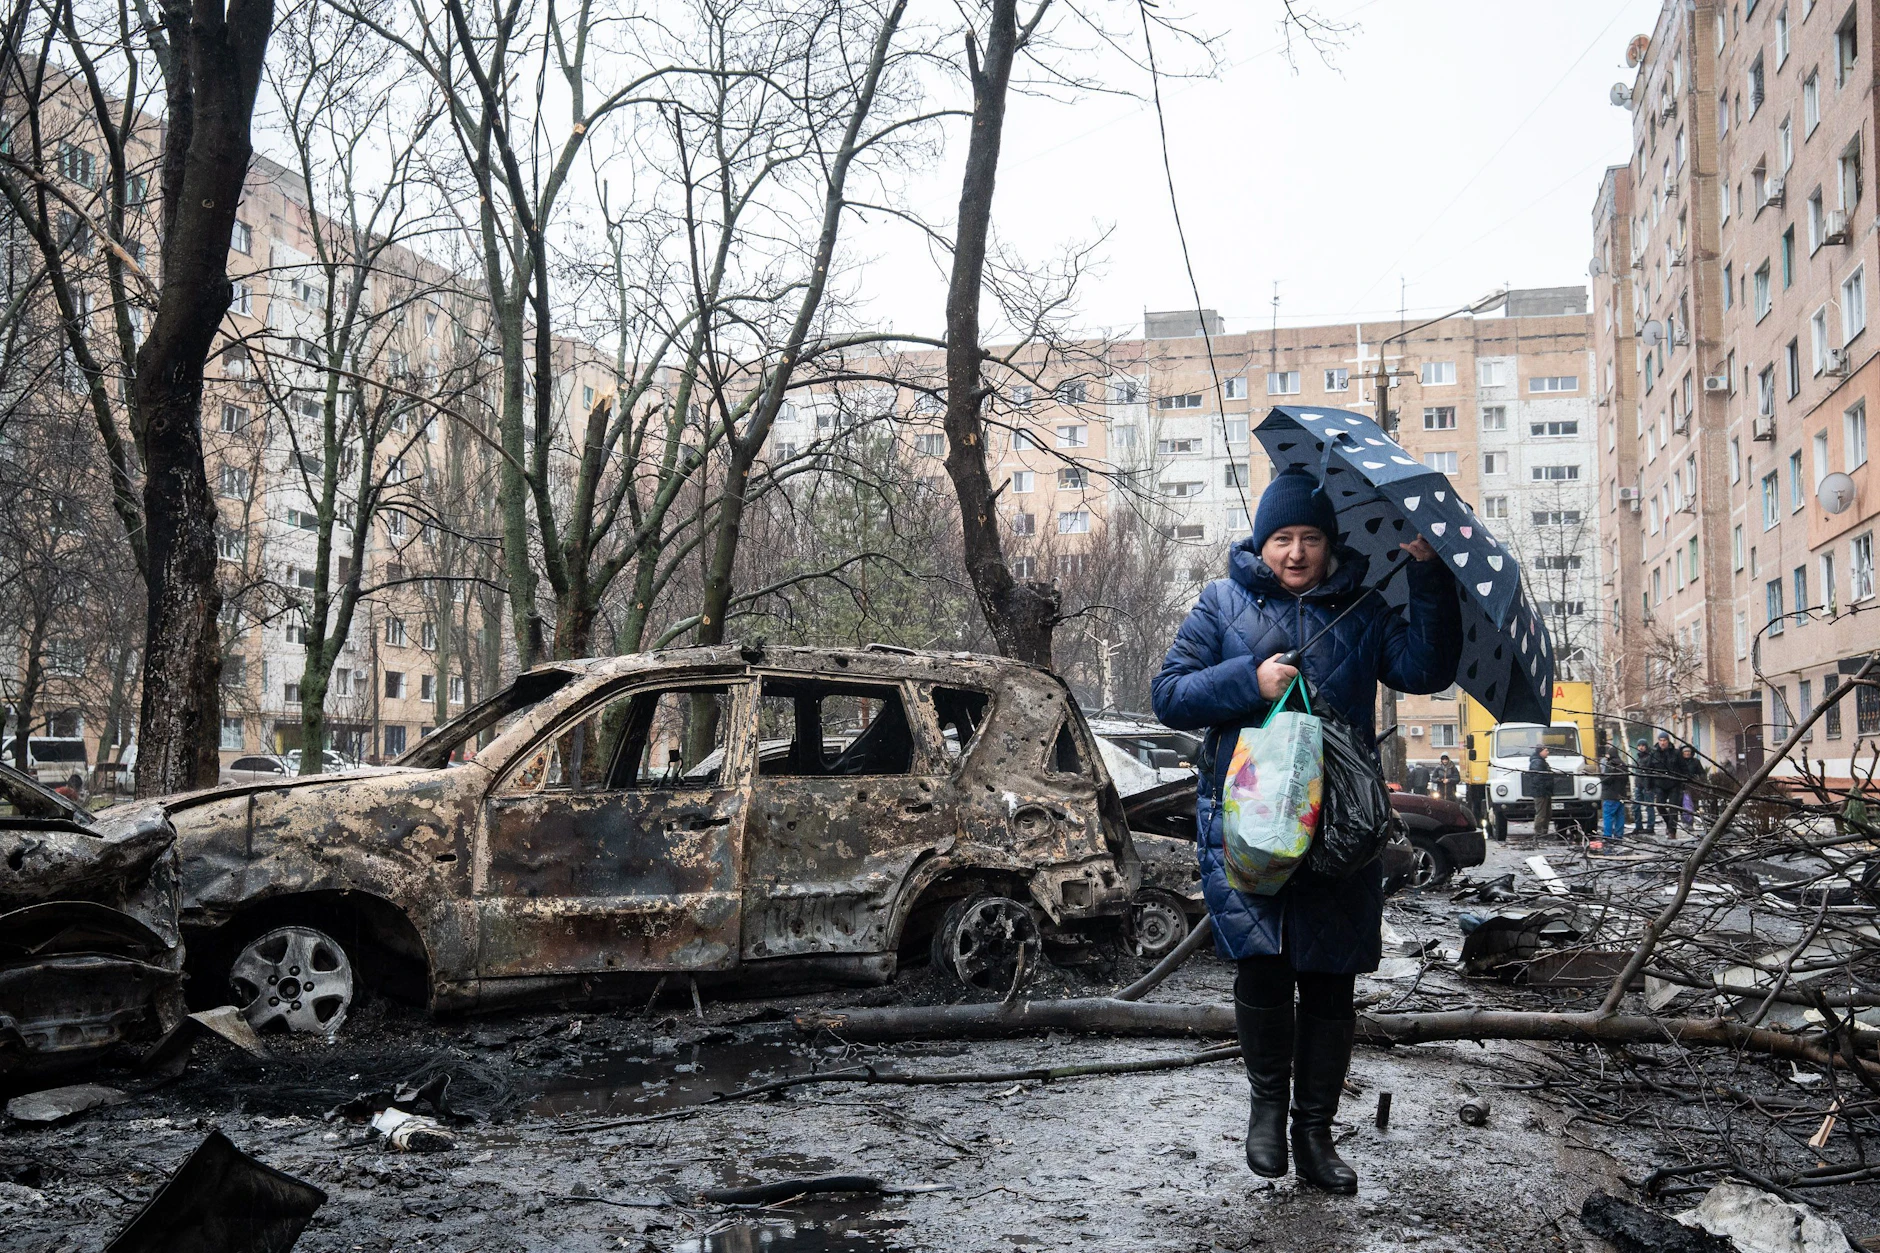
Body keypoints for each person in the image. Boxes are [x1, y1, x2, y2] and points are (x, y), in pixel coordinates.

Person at [1152, 468, 1460, 1195]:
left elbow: (1426, 665)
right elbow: (1169, 694)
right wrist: (1245, 681)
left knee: (1329, 978)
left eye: (1311, 538)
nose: (1297, 552)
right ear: (1263, 542)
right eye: (1283, 537)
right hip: (1251, 821)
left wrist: (1428, 577)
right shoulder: (1222, 602)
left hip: (1338, 825)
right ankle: (1266, 1109)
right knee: (1262, 965)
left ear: (1330, 543)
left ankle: (1314, 1131)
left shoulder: (1362, 604)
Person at [1595, 746, 1629, 851]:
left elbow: (1606, 779)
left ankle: (1608, 836)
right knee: (1620, 816)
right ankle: (1619, 837)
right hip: (1621, 795)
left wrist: (1601, 775)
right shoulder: (1623, 764)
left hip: (1610, 795)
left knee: (1608, 816)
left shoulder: (1610, 765)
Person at [1653, 732, 1682, 837]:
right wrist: (1648, 785)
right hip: (1660, 784)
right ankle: (1668, 824)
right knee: (1660, 806)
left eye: (1664, 740)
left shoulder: (1676, 753)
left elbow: (1683, 768)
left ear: (1668, 741)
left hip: (1674, 784)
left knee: (1673, 808)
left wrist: (1683, 782)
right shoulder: (1654, 753)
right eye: (1660, 740)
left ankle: (1672, 831)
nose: (1662, 743)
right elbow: (1649, 769)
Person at [1526, 743, 1559, 838]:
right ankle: (1539, 832)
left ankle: (1544, 831)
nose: (1548, 752)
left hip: (1545, 792)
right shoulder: (1537, 763)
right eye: (1546, 750)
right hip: (1541, 792)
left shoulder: (1540, 761)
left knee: (1547, 813)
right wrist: (1548, 782)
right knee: (1541, 813)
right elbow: (1539, 778)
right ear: (1540, 751)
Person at [1630, 739, 1656, 834]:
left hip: (1648, 785)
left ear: (1646, 746)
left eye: (1643, 745)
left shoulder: (1650, 757)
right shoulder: (1638, 757)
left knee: (1649, 807)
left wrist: (1648, 785)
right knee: (1636, 806)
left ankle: (1650, 827)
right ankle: (1638, 826)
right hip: (1639, 785)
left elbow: (1650, 771)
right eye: (1639, 745)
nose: (1641, 747)